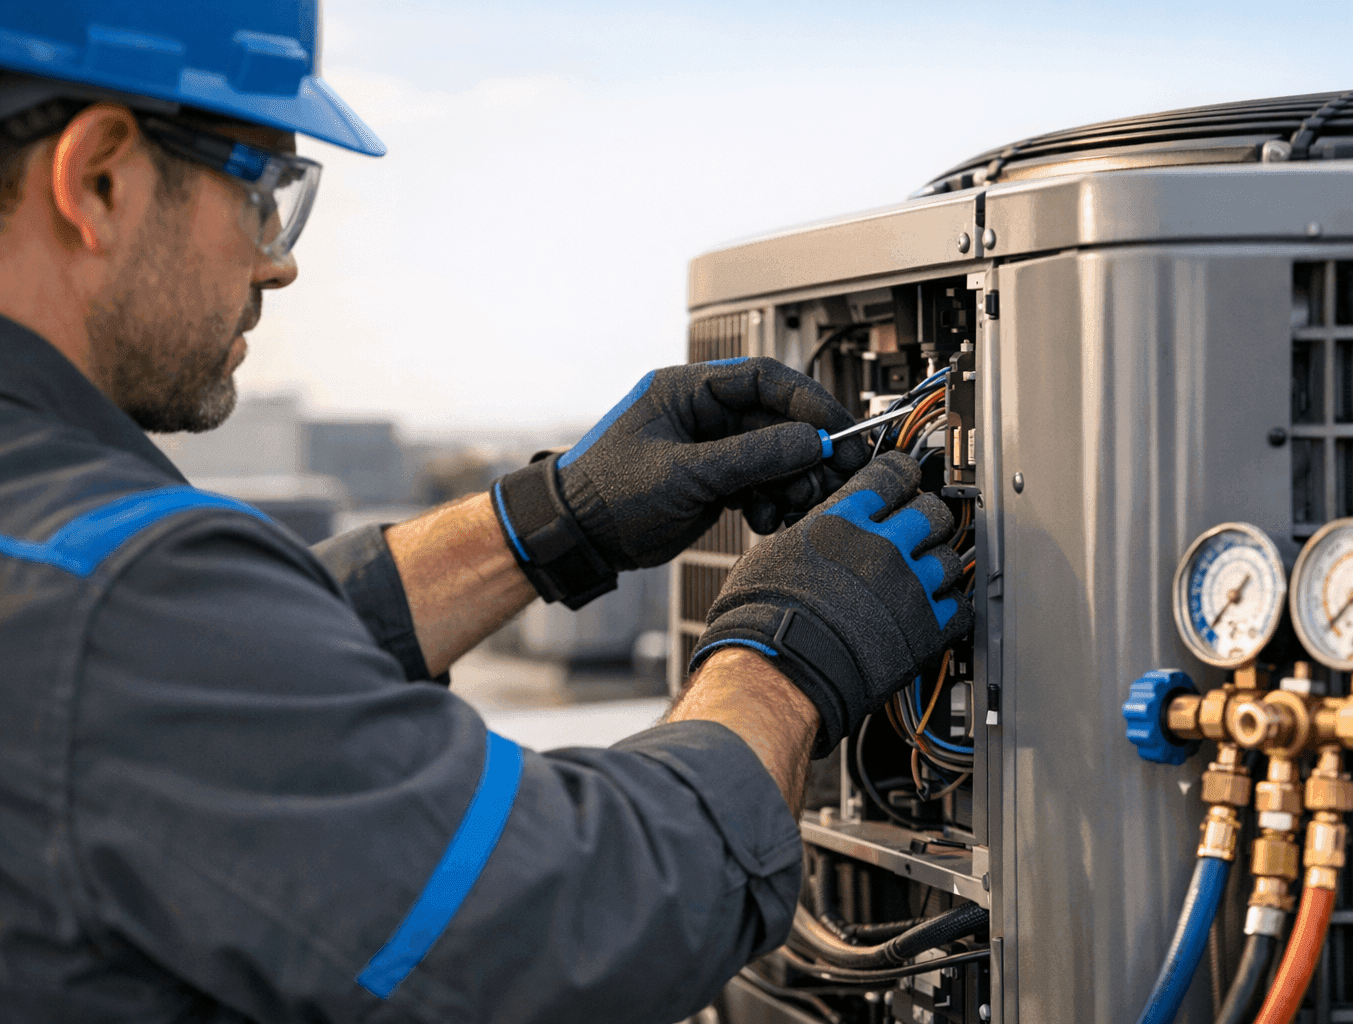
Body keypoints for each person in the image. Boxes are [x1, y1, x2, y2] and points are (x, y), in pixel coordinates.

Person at [0, 4, 972, 1022]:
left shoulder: (75, 576)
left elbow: (234, 666)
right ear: (99, 176)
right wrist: (783, 657)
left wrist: (551, 520)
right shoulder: (112, 613)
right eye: (262, 191)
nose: (276, 261)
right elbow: (584, 918)